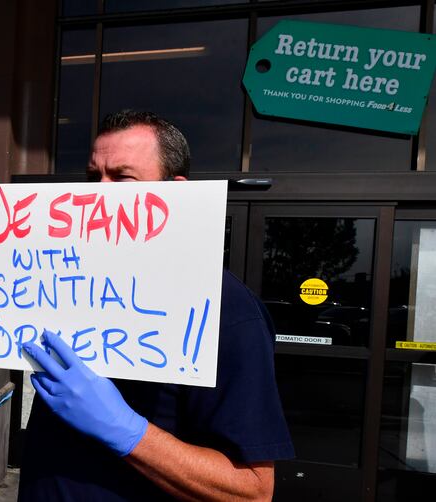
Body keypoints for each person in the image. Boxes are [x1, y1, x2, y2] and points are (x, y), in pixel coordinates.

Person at [18, 110, 294, 501]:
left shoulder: (226, 308)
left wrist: (126, 431)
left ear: (173, 191)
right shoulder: (64, 281)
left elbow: (252, 490)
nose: (98, 192)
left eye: (122, 177)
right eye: (93, 176)